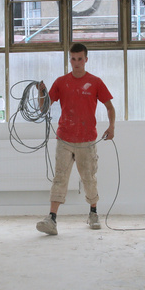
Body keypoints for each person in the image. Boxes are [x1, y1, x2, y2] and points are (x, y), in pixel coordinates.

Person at [36, 43, 116, 235]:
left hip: (87, 139)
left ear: (86, 59)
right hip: (64, 138)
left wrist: (112, 126)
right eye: (73, 59)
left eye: (80, 59)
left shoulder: (95, 82)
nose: (77, 62)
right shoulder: (61, 82)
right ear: (69, 60)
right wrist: (41, 93)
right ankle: (52, 219)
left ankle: (93, 213)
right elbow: (44, 108)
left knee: (89, 177)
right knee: (60, 178)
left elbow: (110, 107)